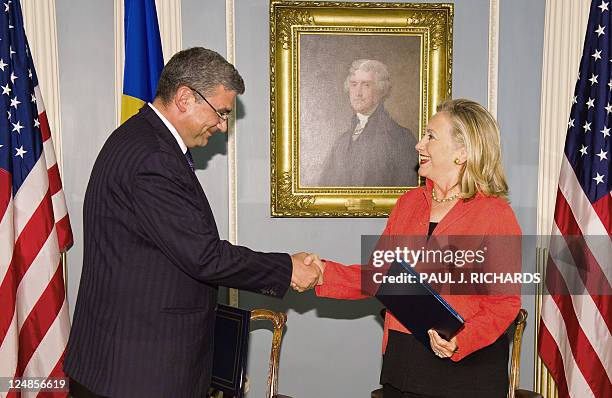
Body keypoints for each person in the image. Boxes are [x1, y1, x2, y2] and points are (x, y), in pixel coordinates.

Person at [64, 47, 321, 398]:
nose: (222, 125)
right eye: (221, 112)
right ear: (185, 97)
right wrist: (286, 269)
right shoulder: (154, 157)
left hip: (121, 359)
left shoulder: (139, 138)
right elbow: (203, 256)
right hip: (140, 370)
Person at [312, 99, 521, 397]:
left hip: (466, 371)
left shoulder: (495, 214)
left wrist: (462, 338)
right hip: (403, 364)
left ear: (462, 152)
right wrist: (322, 273)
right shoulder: (408, 204)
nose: (418, 145)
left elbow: (504, 303)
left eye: (430, 136)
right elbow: (380, 275)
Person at [318, 59, 419, 187]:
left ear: (380, 90)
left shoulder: (401, 138)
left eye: (366, 85)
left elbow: (407, 194)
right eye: (354, 84)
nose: (358, 93)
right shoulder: (341, 143)